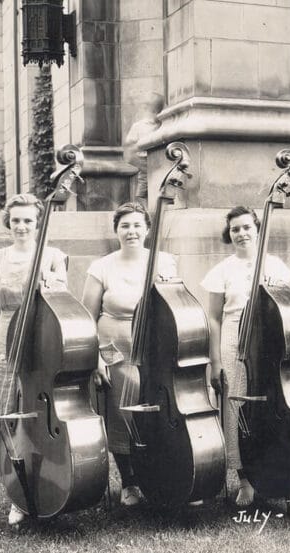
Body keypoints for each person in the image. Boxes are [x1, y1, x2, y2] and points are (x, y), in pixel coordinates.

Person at [0, 194, 68, 526]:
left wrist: (51, 282)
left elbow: (62, 301)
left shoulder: (53, 256)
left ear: (38, 222)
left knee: (37, 414)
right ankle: (16, 495)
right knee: (7, 414)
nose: (21, 226)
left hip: (42, 340)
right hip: (6, 338)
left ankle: (50, 481)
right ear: (8, 222)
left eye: (28, 220)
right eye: (16, 220)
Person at [81, 202, 176, 507]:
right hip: (115, 350)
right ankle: (129, 482)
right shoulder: (102, 266)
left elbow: (176, 307)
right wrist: (95, 358)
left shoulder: (164, 262)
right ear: (116, 231)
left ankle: (163, 475)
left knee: (159, 410)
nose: (131, 231)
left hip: (155, 347)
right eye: (125, 225)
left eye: (137, 225)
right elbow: (87, 317)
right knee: (122, 414)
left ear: (147, 229)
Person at [201, 206, 290, 506]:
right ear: (229, 234)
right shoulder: (222, 270)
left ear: (257, 229)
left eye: (245, 227)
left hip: (269, 341)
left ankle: (283, 471)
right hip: (233, 340)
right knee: (237, 407)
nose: (241, 233)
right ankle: (245, 481)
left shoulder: (276, 266)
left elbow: (289, 307)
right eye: (235, 229)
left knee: (276, 404)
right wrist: (215, 361)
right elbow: (214, 318)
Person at [123, 92, 164, 204]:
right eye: (155, 111)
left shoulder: (162, 125)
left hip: (159, 160)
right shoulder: (139, 126)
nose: (158, 115)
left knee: (159, 186)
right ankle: (145, 210)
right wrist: (138, 149)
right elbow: (130, 145)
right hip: (144, 160)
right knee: (143, 187)